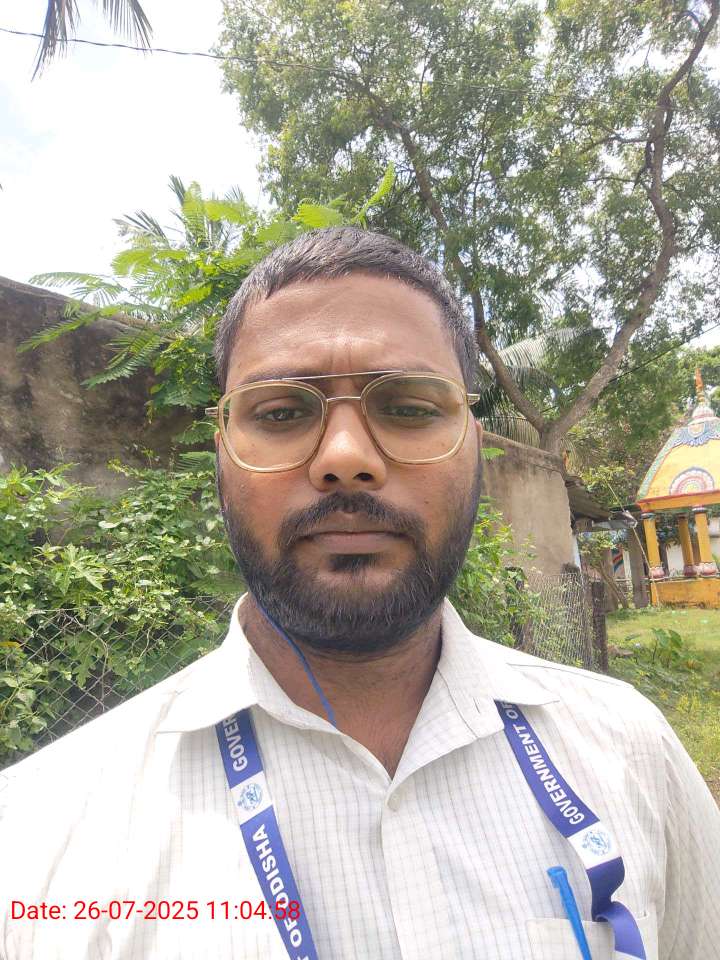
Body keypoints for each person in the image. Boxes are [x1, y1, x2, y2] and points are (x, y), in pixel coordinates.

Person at [1, 228, 718, 960]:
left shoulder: (633, 752)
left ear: (474, 444)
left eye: (409, 407)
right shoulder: (35, 837)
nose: (346, 458)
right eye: (281, 413)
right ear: (223, 454)